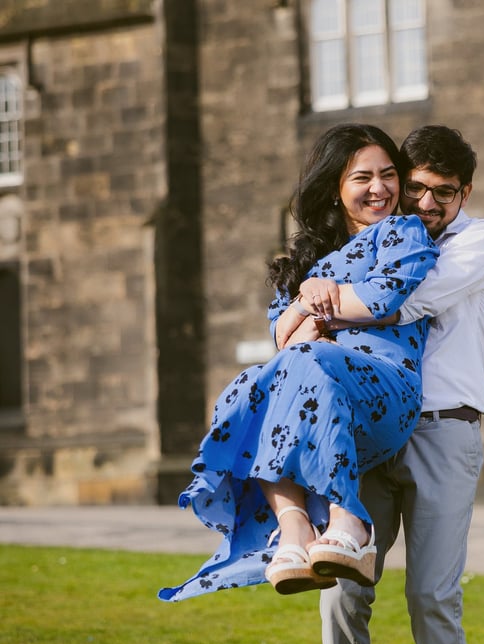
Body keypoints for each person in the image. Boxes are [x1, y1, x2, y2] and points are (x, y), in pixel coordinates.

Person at [158, 123, 439, 602]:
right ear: (334, 188)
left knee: (304, 359)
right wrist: (307, 302)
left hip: (385, 387)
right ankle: (294, 528)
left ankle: (350, 520)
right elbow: (281, 335)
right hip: (319, 389)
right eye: (363, 178)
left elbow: (380, 297)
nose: (380, 188)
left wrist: (309, 307)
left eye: (388, 174)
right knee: (250, 385)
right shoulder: (305, 258)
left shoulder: (402, 231)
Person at [316, 126, 484, 644]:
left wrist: (320, 301)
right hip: (371, 431)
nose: (426, 203)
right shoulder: (374, 240)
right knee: (341, 590)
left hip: (443, 430)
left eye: (443, 193)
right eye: (416, 187)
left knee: (431, 599)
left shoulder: (481, 239)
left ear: (465, 193)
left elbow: (404, 299)